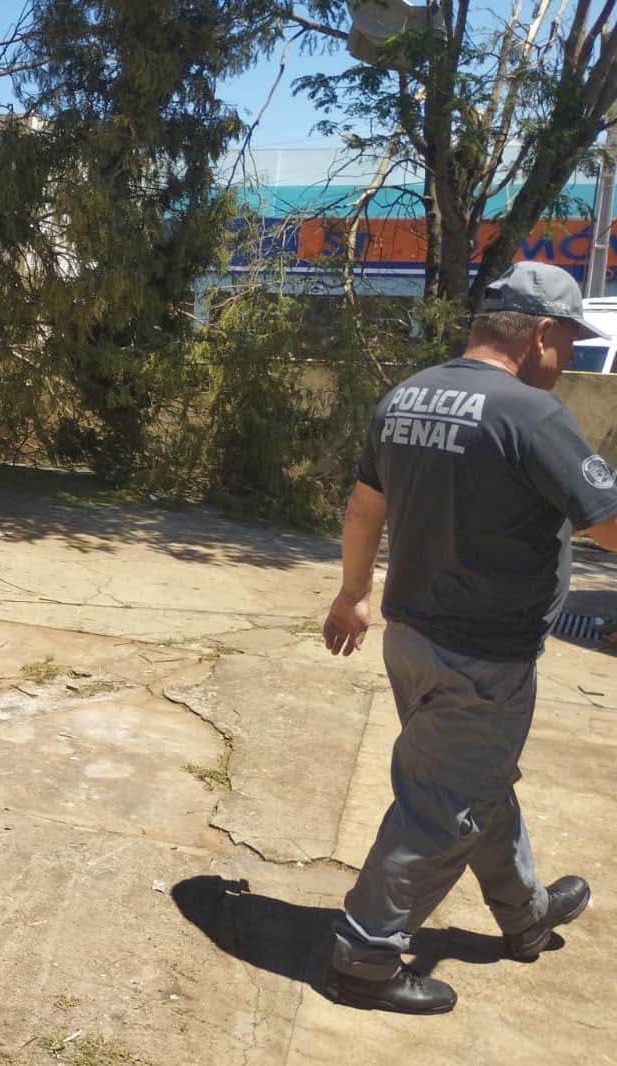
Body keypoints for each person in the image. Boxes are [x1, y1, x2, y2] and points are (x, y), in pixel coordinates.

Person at [320, 260, 617, 1014]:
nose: (569, 361)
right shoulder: (528, 413)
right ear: (540, 335)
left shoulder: (407, 394)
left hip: (410, 639)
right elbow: (608, 520)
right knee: (439, 805)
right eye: (571, 346)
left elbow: (363, 508)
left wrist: (352, 596)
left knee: (469, 782)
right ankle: (365, 957)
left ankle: (525, 915)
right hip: (482, 658)